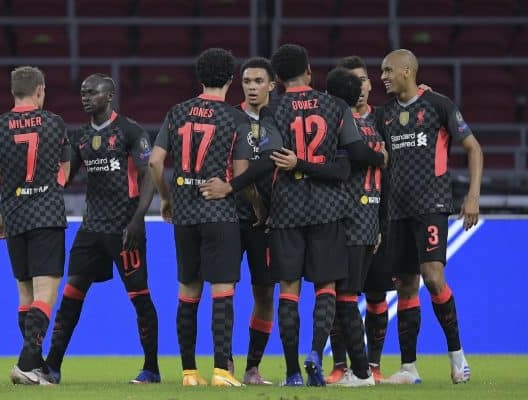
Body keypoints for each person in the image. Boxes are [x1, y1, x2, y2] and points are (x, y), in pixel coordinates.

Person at [200, 44, 387, 387]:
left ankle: (291, 373)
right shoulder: (336, 106)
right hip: (329, 210)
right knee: (326, 288)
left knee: (288, 290)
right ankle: (316, 351)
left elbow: (265, 161)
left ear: (278, 78)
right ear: (309, 71)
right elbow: (345, 167)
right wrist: (375, 158)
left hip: (286, 211)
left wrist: (231, 185)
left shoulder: (274, 111)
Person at [148, 48, 265, 387]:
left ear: (200, 77)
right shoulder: (236, 119)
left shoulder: (177, 112)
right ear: (231, 79)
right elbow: (242, 176)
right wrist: (256, 206)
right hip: (220, 215)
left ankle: (188, 372)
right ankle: (221, 371)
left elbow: (155, 162)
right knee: (223, 291)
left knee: (187, 292)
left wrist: (167, 198)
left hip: (184, 214)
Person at [45, 74, 160, 384]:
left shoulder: (131, 131)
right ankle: (52, 366)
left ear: (109, 95)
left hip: (124, 228)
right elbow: (65, 178)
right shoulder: (80, 136)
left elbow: (150, 176)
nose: (85, 97)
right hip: (91, 228)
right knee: (71, 295)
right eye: (82, 92)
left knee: (139, 296)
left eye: (92, 92)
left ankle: (151, 368)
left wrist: (138, 220)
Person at [378, 49, 482, 384]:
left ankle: (458, 358)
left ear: (406, 70)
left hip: (432, 205)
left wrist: (473, 196)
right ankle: (409, 368)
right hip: (397, 211)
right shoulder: (386, 114)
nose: (383, 77)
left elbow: (473, 148)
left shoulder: (438, 105)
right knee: (406, 285)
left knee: (433, 276)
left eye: (388, 71)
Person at [0, 66, 70, 385]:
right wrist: (47, 188)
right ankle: (26, 363)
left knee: (25, 295)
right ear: (40, 90)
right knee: (46, 293)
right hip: (46, 215)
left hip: (14, 216)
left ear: (13, 92)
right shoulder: (55, 124)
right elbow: (64, 171)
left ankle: (36, 367)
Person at [324, 57, 394, 386]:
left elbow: (346, 165)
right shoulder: (371, 128)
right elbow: (379, 162)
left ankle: (363, 371)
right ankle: (351, 368)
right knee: (345, 295)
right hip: (368, 218)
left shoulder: (342, 125)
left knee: (347, 296)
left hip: (350, 219)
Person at [229, 56, 277, 385]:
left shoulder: (282, 119)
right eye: (247, 81)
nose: (252, 87)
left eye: (259, 81)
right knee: (224, 292)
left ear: (272, 85)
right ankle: (225, 365)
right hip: (231, 218)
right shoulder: (229, 119)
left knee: (264, 294)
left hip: (270, 223)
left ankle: (253, 368)